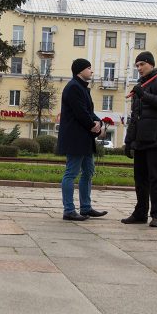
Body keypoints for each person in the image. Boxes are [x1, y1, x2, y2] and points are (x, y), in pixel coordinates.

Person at [122, 51, 157, 227]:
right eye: (137, 66)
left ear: (151, 64)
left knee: (156, 179)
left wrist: (144, 95)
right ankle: (140, 213)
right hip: (140, 140)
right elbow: (135, 116)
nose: (139, 68)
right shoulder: (140, 85)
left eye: (142, 64)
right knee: (140, 179)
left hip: (155, 138)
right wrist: (129, 141)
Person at [57, 58, 108, 221]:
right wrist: (92, 126)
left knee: (88, 172)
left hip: (84, 138)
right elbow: (80, 112)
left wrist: (99, 122)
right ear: (80, 71)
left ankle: (86, 208)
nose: (91, 71)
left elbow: (88, 111)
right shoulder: (73, 87)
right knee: (71, 173)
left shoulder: (83, 88)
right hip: (75, 138)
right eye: (89, 68)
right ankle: (69, 210)